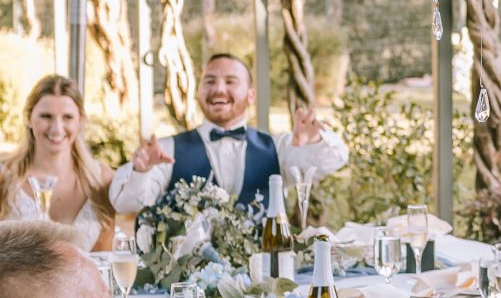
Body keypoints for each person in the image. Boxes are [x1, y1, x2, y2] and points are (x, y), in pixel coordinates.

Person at [109, 52, 348, 217]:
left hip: (266, 279)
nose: (218, 89)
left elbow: (333, 161)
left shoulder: (279, 147)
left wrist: (312, 141)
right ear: (199, 92)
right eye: (209, 81)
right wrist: (142, 172)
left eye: (230, 81)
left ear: (251, 95)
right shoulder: (166, 151)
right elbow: (122, 204)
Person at [0, 75, 115, 249]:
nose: (56, 128)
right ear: (28, 118)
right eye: (46, 116)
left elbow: (105, 258)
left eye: (67, 117)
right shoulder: (5, 175)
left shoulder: (102, 179)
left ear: (80, 121)